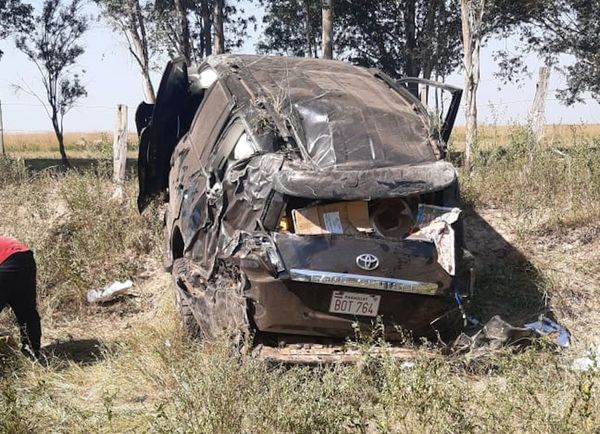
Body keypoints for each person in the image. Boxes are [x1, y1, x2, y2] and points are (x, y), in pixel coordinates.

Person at [0, 236, 41, 358]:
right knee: (27, 312)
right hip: (26, 257)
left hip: (8, 259)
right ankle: (32, 355)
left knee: (27, 312)